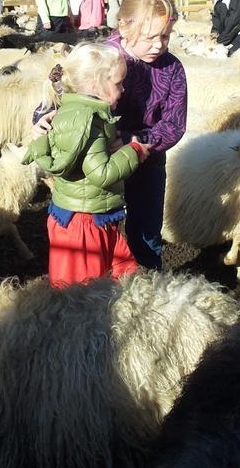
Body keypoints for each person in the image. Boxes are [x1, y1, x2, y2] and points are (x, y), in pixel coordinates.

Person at [33, 0, 186, 270]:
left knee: (146, 232)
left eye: (165, 37)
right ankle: (97, 290)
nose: (159, 45)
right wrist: (43, 116)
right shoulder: (101, 58)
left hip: (145, 159)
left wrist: (134, 140)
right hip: (94, 162)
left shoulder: (171, 68)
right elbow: (67, 88)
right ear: (124, 27)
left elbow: (174, 124)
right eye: (150, 37)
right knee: (99, 231)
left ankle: (146, 287)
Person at [24, 42, 149, 287]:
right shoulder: (89, 123)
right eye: (118, 83)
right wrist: (134, 151)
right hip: (85, 225)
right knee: (84, 294)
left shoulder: (72, 111)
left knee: (120, 277)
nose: (123, 89)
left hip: (84, 214)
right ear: (94, 84)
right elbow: (101, 174)